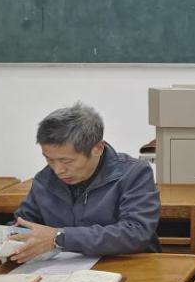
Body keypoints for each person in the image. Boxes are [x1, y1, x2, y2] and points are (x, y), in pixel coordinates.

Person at [11, 101, 160, 262]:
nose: (58, 170)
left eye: (66, 161)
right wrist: (7, 240)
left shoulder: (133, 173)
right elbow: (23, 225)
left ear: (97, 148)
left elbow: (136, 232)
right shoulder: (44, 180)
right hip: (61, 269)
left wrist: (60, 237)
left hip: (126, 265)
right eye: (49, 159)